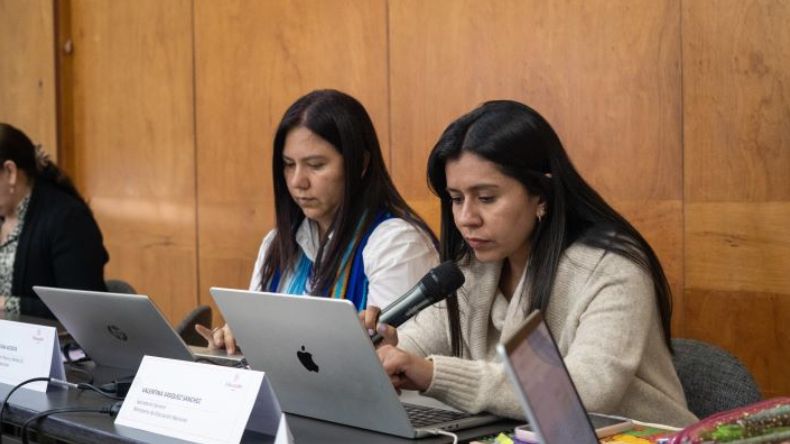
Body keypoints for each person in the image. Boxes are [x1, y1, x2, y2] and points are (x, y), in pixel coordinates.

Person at [363, 100, 698, 427]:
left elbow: (583, 393)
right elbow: (416, 345)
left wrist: (432, 374)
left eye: (486, 198)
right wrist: (383, 352)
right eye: (456, 199)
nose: (466, 218)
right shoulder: (474, 269)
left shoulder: (611, 268)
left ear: (541, 193)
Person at [198, 90, 438, 353]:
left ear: (361, 164)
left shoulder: (397, 244)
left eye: (315, 165)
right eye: (289, 164)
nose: (297, 181)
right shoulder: (277, 242)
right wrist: (236, 340)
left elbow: (399, 359)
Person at [0, 123, 109, 319]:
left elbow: (84, 311)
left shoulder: (68, 220)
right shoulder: (4, 214)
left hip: (52, 346)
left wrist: (7, 304)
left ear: (10, 172)